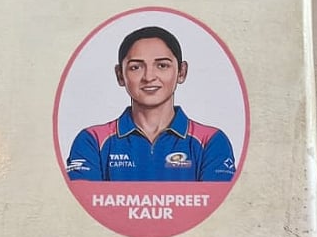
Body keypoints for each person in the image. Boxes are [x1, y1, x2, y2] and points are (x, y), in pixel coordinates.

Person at [66, 26, 236, 182]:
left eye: (162, 65)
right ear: (120, 75)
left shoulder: (211, 141)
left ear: (182, 72)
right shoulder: (93, 141)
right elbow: (84, 210)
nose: (149, 77)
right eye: (136, 67)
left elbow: (216, 212)